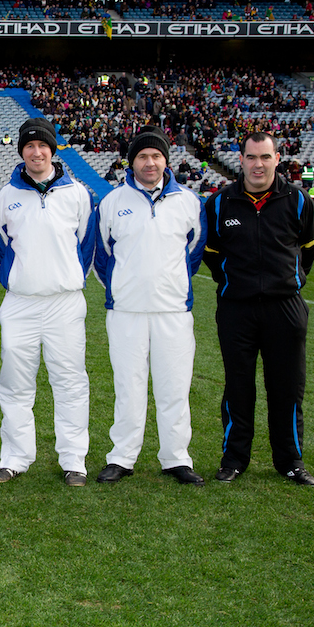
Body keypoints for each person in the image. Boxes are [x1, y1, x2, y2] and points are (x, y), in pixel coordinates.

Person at [203, 131, 314, 486]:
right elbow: (210, 254)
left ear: (276, 159)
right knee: (238, 386)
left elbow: (311, 246)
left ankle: (290, 460)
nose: (258, 164)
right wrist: (235, 282)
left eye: (265, 157)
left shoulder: (298, 200)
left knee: (287, 387)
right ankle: (234, 458)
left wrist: (291, 279)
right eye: (252, 157)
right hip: (236, 309)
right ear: (240, 160)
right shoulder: (221, 203)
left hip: (284, 308)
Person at [92, 126, 206, 486]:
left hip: (173, 312)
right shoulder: (112, 202)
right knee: (129, 385)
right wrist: (123, 288)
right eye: (143, 156)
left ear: (166, 160)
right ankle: (122, 457)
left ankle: (176, 458)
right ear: (132, 162)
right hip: (125, 312)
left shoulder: (188, 201)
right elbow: (101, 256)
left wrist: (172, 284)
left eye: (156, 156)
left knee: (174, 386)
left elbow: (195, 252)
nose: (150, 162)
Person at [0, 118, 95, 485]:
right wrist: (20, 280)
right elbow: (5, 249)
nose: (37, 152)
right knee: (15, 382)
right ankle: (15, 457)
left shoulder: (78, 194)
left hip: (65, 303)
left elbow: (86, 246)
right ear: (21, 151)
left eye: (43, 146)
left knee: (70, 382)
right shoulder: (5, 197)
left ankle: (74, 461)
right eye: (29, 146)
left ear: (53, 149)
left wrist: (67, 279)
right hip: (20, 303)